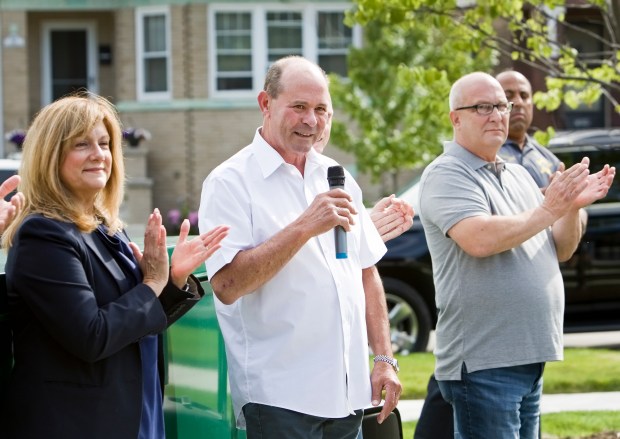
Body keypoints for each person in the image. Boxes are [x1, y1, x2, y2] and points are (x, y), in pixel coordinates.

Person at [0, 93, 229, 439]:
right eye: (82, 144)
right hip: (78, 423)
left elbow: (135, 323)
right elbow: (92, 335)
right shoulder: (44, 234)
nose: (99, 155)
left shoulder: (108, 227)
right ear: (50, 154)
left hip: (137, 411)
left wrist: (173, 279)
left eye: (105, 143)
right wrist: (152, 284)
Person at [199, 55, 401, 438]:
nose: (311, 120)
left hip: (346, 394)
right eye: (299, 107)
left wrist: (384, 358)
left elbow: (365, 272)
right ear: (266, 104)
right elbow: (227, 286)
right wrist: (305, 226)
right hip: (280, 398)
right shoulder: (229, 182)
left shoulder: (336, 175)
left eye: (321, 109)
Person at [417, 72, 614, 438]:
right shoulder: (447, 174)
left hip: (528, 357)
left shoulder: (519, 176)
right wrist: (549, 209)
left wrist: (569, 207)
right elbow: (478, 239)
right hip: (484, 364)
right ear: (455, 118)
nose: (497, 115)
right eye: (482, 107)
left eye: (501, 106)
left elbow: (562, 250)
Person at [313, 117, 414, 242]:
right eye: (300, 107)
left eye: (323, 113)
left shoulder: (342, 176)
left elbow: (354, 257)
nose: (314, 122)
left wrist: (366, 235)